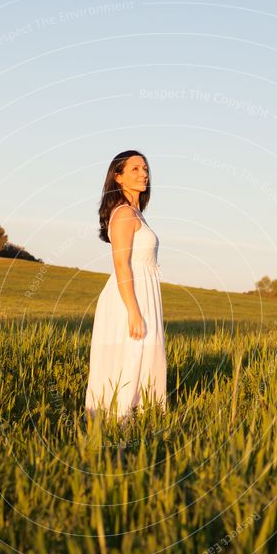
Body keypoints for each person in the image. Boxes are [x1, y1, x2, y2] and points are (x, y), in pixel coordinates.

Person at [85, 150, 167, 422]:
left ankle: (141, 417)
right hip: (128, 296)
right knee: (130, 354)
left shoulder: (137, 213)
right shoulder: (123, 214)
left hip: (143, 292)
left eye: (145, 168)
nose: (144, 173)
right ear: (117, 177)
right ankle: (117, 422)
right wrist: (132, 310)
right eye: (135, 169)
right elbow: (121, 264)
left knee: (145, 353)